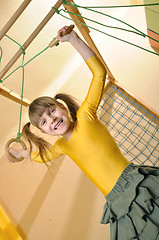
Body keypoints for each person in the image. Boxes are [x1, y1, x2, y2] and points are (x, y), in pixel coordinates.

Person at [6, 26, 159, 239]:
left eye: (52, 111)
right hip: (117, 202)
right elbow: (42, 157)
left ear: (62, 106)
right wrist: (21, 153)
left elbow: (99, 73)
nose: (52, 119)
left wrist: (73, 39)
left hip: (135, 182)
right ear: (43, 130)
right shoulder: (61, 146)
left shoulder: (86, 116)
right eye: (45, 121)